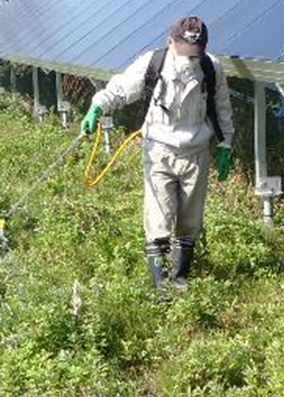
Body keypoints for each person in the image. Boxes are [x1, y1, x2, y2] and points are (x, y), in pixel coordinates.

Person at [80, 16, 234, 293]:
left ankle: (180, 278)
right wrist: (98, 107)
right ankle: (160, 283)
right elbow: (120, 89)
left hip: (196, 150)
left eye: (195, 52)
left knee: (190, 219)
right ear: (171, 42)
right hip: (159, 149)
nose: (190, 58)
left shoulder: (212, 68)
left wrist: (225, 145)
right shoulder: (153, 63)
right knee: (159, 214)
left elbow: (222, 106)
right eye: (185, 50)